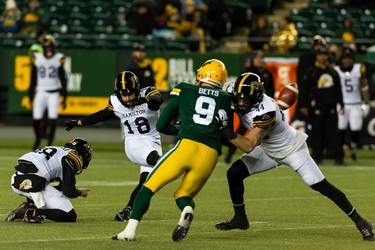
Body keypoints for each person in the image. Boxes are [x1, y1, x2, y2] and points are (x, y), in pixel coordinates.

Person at [216, 72, 375, 241]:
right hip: (268, 148)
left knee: (321, 185)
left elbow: (248, 145)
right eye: (238, 98)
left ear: (257, 97)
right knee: (234, 173)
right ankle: (240, 219)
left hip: (291, 149)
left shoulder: (267, 110)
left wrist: (226, 131)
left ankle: (360, 221)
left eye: (245, 100)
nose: (240, 102)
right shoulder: (236, 93)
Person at [112, 59, 232, 241]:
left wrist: (178, 128)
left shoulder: (184, 89)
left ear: (200, 75)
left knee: (148, 188)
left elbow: (161, 124)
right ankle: (186, 209)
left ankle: (129, 231)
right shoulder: (225, 98)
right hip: (210, 154)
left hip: (187, 146)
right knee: (182, 195)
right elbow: (225, 134)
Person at [64, 71, 163, 222]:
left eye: (131, 94)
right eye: (124, 95)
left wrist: (149, 101)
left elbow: (157, 99)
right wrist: (78, 122)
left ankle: (128, 210)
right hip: (134, 143)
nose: (128, 98)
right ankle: (172, 163)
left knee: (147, 185)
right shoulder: (115, 102)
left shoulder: (148, 92)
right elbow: (101, 115)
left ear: (137, 90)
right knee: (159, 161)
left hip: (153, 142)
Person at [5, 138, 93, 223]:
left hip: (17, 180)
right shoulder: (73, 156)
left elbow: (60, 187)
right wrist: (80, 192)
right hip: (33, 181)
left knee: (40, 180)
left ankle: (29, 206)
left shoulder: (59, 150)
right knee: (69, 215)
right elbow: (68, 192)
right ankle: (31, 212)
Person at [224, 50, 275, 164]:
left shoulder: (267, 73)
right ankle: (229, 153)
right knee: (237, 133)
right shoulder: (247, 72)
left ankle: (264, 158)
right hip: (246, 111)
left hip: (258, 110)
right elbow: (239, 91)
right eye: (257, 58)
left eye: (261, 58)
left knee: (259, 136)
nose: (260, 60)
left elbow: (271, 91)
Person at [299, 45, 345, 165]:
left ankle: (337, 157)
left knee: (334, 133)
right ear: (317, 56)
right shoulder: (311, 72)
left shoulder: (332, 72)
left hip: (331, 107)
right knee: (317, 132)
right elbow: (305, 90)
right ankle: (317, 157)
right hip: (317, 106)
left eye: (325, 55)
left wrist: (341, 104)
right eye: (320, 55)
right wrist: (303, 105)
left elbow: (339, 89)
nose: (323, 57)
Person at [29, 34, 67, 151]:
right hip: (40, 91)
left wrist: (65, 95)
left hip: (54, 92)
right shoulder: (37, 57)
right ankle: (38, 140)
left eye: (50, 47)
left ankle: (49, 143)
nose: (48, 49)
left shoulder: (58, 58)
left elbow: (62, 77)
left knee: (52, 118)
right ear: (43, 47)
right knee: (36, 118)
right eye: (46, 47)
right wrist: (30, 93)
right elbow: (33, 76)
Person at [334, 47, 370, 161]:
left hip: (355, 103)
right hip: (342, 104)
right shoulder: (336, 70)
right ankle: (341, 152)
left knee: (355, 129)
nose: (347, 61)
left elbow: (364, 86)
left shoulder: (358, 69)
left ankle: (353, 147)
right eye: (345, 58)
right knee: (341, 129)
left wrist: (367, 102)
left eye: (349, 58)